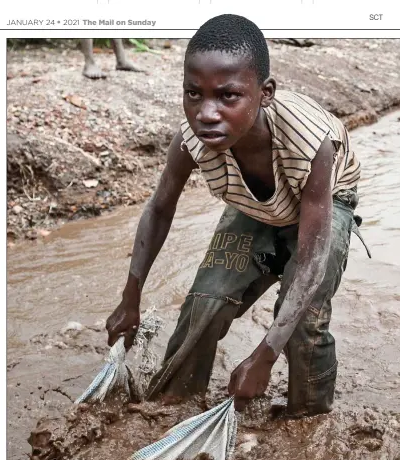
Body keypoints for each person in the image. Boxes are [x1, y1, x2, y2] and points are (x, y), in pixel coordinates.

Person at [105, 14, 370, 415]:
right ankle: (172, 404)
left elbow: (312, 261)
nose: (207, 113)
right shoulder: (191, 140)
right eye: (194, 94)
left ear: (265, 93)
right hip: (255, 206)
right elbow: (159, 209)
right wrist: (131, 297)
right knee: (205, 302)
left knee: (303, 319)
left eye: (228, 96)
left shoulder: (311, 142)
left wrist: (263, 357)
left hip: (324, 200)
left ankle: (308, 419)